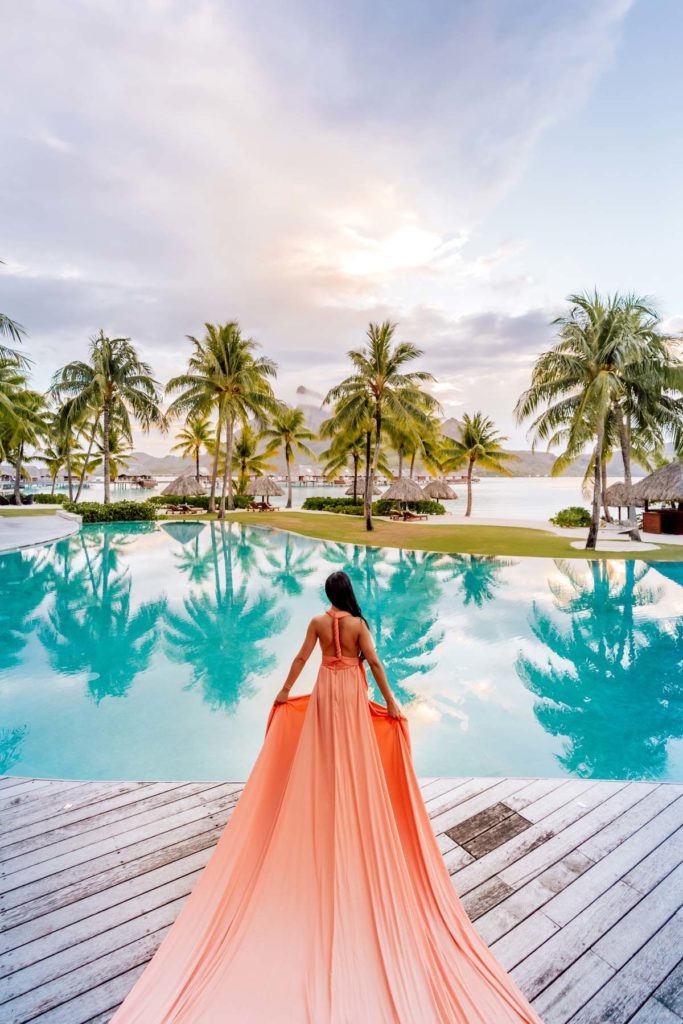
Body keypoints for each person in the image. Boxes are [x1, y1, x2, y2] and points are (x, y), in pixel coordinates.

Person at [110, 571, 542, 1023]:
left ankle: (325, 790)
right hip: (349, 691)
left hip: (324, 691)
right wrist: (392, 701)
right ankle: (349, 793)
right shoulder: (359, 626)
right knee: (353, 745)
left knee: (323, 745)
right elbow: (373, 665)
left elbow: (300, 659)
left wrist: (282, 692)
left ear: (326, 596)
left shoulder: (318, 623)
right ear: (349, 594)